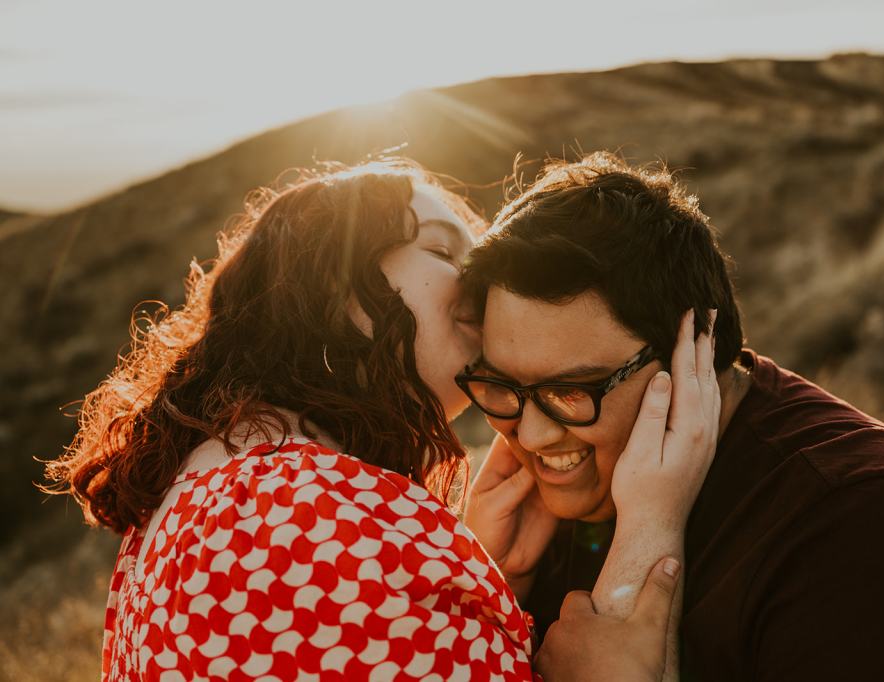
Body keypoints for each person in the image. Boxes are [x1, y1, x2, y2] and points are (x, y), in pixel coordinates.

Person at [47, 158, 720, 681]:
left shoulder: (225, 491)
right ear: (331, 285)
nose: (476, 286)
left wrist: (486, 589)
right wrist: (653, 528)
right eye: (439, 250)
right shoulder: (318, 519)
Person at [458, 152, 884, 681]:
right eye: (500, 384)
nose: (528, 435)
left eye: (570, 390)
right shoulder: (534, 520)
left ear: (694, 349)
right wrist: (492, 594)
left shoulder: (875, 538)